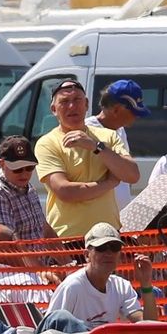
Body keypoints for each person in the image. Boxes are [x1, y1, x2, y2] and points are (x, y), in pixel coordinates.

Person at [35, 78, 137, 239]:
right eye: (64, 102)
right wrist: (109, 183)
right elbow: (65, 191)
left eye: (77, 100)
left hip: (108, 237)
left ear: (86, 104)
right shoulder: (47, 143)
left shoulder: (108, 136)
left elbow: (132, 175)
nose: (72, 106)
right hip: (69, 238)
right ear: (54, 109)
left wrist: (96, 147)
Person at [47, 223, 161, 328]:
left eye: (114, 247)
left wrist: (146, 283)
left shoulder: (121, 286)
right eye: (101, 248)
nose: (109, 253)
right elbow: (49, 330)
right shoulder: (72, 287)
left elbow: (148, 328)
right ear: (87, 255)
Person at [86, 79, 148, 212]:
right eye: (134, 112)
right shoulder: (87, 131)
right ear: (116, 109)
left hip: (119, 216)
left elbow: (128, 172)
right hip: (97, 216)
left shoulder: (120, 131)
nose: (136, 117)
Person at [0, 135, 47, 241]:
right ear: (2, 164)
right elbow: (4, 244)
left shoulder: (29, 188)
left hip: (36, 251)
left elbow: (43, 227)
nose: (24, 174)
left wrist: (63, 252)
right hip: (14, 252)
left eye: (29, 167)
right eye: (17, 169)